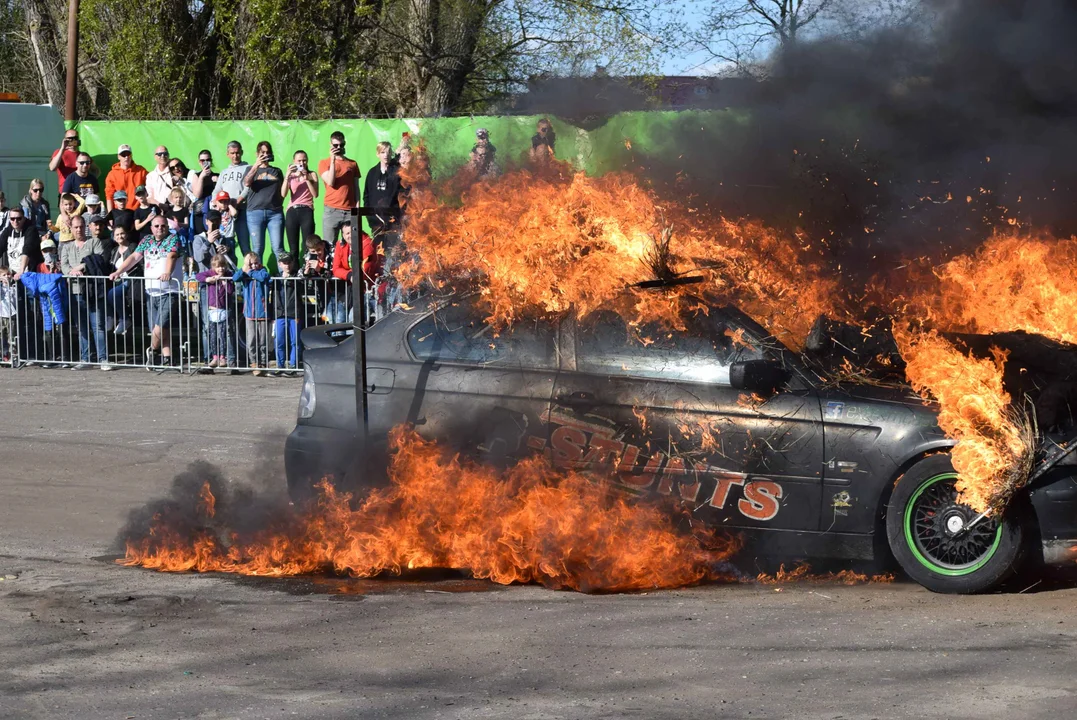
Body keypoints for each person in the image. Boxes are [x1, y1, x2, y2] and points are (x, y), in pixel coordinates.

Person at [110, 215, 183, 369]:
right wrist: (119, 271)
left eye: (163, 225)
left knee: (160, 324)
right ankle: (166, 357)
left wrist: (168, 272)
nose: (159, 229)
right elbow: (134, 257)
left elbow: (172, 255)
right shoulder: (147, 241)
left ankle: (152, 350)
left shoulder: (172, 239)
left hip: (169, 290)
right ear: (151, 228)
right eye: (156, 226)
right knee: (160, 327)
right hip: (151, 291)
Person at [60, 215, 109, 370]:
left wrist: (80, 268)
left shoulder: (94, 242)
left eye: (81, 226)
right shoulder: (66, 247)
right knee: (81, 327)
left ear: (85, 227)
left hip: (94, 290)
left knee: (98, 326)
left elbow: (99, 260)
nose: (79, 230)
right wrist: (72, 272)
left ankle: (103, 359)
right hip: (75, 291)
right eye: (75, 227)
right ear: (71, 229)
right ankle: (85, 358)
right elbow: (64, 266)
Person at [191, 210, 238, 368]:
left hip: (224, 287)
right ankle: (209, 359)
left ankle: (229, 359)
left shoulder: (225, 239)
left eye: (217, 220)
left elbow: (233, 264)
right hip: (208, 287)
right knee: (207, 326)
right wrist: (208, 242)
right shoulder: (199, 238)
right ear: (206, 222)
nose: (215, 223)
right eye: (212, 221)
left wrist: (227, 251)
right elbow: (198, 259)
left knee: (228, 326)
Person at [1, 206, 43, 362]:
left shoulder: (30, 230)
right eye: (12, 219)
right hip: (15, 279)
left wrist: (20, 270)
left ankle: (37, 353)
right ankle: (22, 354)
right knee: (19, 318)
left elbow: (27, 250)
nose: (15, 221)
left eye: (18, 218)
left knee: (33, 315)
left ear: (23, 218)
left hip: (29, 278)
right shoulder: (8, 231)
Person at [244, 140, 285, 263]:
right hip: (254, 213)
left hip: (275, 213)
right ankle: (258, 280)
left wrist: (278, 204)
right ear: (257, 153)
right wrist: (256, 165)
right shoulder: (250, 169)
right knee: (257, 249)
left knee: (278, 248)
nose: (265, 155)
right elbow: (246, 182)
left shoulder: (277, 171)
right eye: (262, 152)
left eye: (268, 152)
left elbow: (283, 191)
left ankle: (283, 279)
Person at [318, 131, 360, 244]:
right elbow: (330, 182)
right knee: (329, 245)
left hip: (350, 211)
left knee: (353, 246)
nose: (338, 147)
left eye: (341, 145)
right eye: (335, 145)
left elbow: (356, 187)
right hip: (332, 210)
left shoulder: (352, 164)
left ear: (344, 144)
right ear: (330, 145)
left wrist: (357, 207)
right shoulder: (324, 163)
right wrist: (333, 160)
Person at [233, 252, 271, 375]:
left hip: (263, 312)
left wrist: (250, 272)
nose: (254, 266)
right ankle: (254, 362)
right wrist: (244, 267)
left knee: (263, 340)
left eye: (255, 263)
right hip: (249, 312)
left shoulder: (263, 271)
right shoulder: (245, 273)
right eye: (251, 264)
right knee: (251, 340)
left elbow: (262, 277)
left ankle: (264, 362)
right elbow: (235, 278)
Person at [195, 254, 235, 371]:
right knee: (212, 335)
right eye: (218, 267)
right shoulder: (210, 273)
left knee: (223, 335)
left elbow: (230, 290)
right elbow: (198, 276)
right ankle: (214, 357)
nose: (220, 269)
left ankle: (223, 357)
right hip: (212, 309)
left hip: (223, 310)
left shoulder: (228, 275)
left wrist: (224, 282)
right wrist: (208, 279)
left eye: (222, 266)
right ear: (213, 267)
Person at [212, 141, 251, 255]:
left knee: (244, 243)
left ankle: (249, 270)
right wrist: (217, 203)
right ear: (227, 154)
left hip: (242, 210)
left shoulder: (248, 168)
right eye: (232, 153)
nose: (235, 156)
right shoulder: (224, 172)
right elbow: (217, 190)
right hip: (225, 214)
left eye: (237, 153)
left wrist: (237, 200)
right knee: (226, 243)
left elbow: (248, 187)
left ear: (242, 152)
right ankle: (230, 271)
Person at [105, 225, 139, 337]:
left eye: (122, 233)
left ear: (127, 234)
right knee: (104, 292)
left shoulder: (133, 247)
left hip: (129, 280)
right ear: (114, 237)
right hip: (117, 280)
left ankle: (124, 319)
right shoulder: (114, 250)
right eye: (117, 234)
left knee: (112, 294)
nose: (120, 236)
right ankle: (111, 318)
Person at [363, 141, 401, 240]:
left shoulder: (397, 172)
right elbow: (366, 196)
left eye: (388, 152)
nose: (386, 155)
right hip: (376, 222)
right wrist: (370, 218)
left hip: (393, 221)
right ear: (378, 154)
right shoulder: (372, 173)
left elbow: (400, 195)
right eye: (383, 152)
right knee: (378, 251)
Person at [283, 150, 318, 257]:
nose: (302, 163)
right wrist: (287, 175)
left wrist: (307, 179)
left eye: (304, 160)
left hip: (306, 210)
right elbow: (283, 194)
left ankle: (308, 270)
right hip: (292, 211)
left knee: (308, 245)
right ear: (294, 161)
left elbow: (315, 194)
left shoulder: (312, 174)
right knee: (293, 247)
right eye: (299, 161)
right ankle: (294, 271)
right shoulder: (291, 176)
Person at [273, 254, 301, 375]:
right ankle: (280, 365)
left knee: (295, 341)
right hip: (279, 313)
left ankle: (293, 366)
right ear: (280, 264)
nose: (287, 265)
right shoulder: (275, 277)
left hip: (294, 313)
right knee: (279, 341)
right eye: (284, 263)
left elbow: (302, 283)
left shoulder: (297, 276)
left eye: (289, 262)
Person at [105, 145, 148, 212]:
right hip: (120, 212)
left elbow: (150, 189)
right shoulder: (112, 174)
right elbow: (109, 196)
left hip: (139, 211)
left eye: (128, 154)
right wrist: (110, 215)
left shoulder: (141, 171)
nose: (126, 157)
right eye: (123, 155)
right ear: (118, 157)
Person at [189, 149, 218, 235]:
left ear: (211, 161)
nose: (205, 163)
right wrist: (201, 177)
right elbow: (197, 194)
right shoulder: (196, 176)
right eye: (202, 160)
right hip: (201, 212)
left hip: (214, 210)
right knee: (202, 236)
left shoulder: (217, 175)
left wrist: (217, 182)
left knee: (216, 235)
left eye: (207, 160)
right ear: (199, 162)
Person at [0, 267, 15, 363]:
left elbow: (14, 299)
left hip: (11, 314)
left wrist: (9, 285)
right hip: (1, 314)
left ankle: (12, 355)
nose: (6, 277)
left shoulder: (13, 287)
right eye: (3, 275)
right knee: (2, 336)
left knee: (11, 336)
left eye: (8, 275)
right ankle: (3, 354)